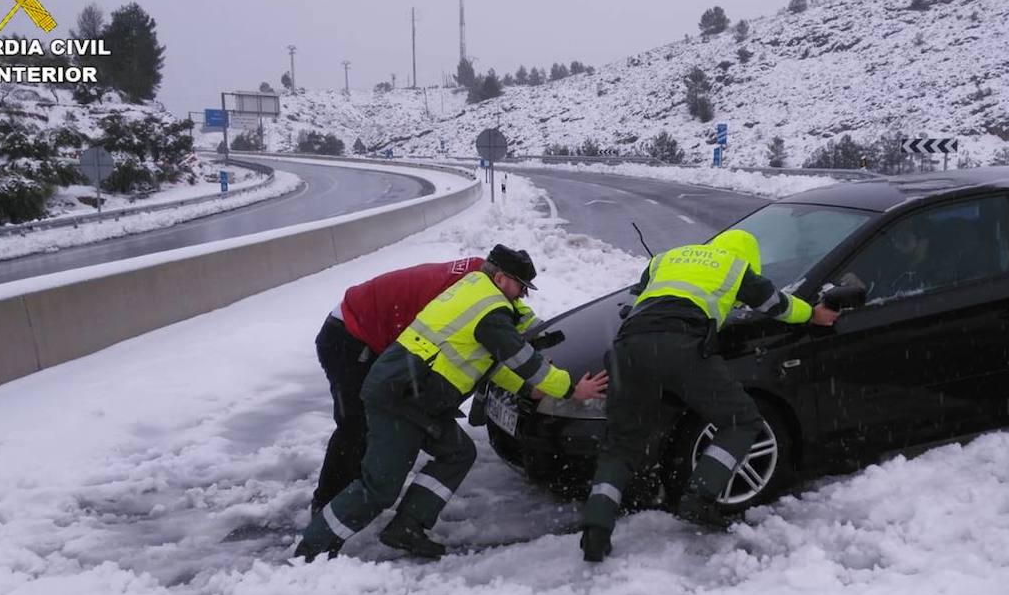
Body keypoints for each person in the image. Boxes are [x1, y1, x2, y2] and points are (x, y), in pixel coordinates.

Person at [296, 245, 608, 561]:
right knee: (379, 487)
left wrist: (529, 391)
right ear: (501, 278)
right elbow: (519, 357)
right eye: (521, 286)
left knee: (458, 452)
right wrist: (569, 388)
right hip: (401, 396)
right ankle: (312, 549)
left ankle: (407, 525)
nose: (524, 295)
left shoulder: (475, 290)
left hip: (416, 394)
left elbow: (487, 361)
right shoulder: (491, 309)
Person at [578, 229, 839, 563]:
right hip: (682, 346)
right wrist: (812, 314)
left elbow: (643, 290)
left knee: (619, 445)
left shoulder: (667, 258)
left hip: (627, 346)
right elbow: (775, 304)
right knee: (741, 421)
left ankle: (596, 532)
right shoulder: (735, 267)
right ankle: (700, 495)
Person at [310, 255, 485, 513]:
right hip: (349, 336)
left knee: (381, 418)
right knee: (356, 424)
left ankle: (355, 494)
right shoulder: (463, 297)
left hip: (367, 331)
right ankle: (326, 506)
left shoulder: (476, 278)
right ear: (502, 278)